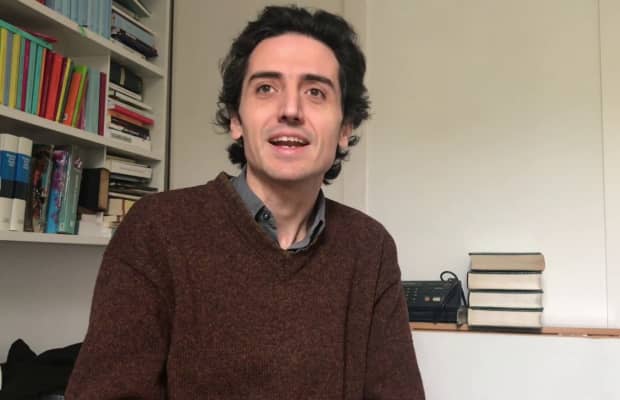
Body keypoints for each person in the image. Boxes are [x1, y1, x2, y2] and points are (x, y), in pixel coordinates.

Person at [65, 5, 424, 399]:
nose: (290, 110)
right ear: (236, 119)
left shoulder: (370, 247)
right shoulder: (156, 229)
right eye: (266, 88)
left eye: (315, 92)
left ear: (345, 129)